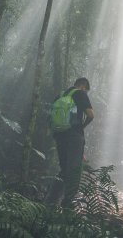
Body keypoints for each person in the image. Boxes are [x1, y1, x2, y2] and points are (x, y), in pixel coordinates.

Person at [53, 77, 94, 206]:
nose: (85, 92)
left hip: (60, 136)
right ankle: (68, 203)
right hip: (74, 135)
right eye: (86, 90)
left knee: (64, 169)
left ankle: (50, 201)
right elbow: (91, 115)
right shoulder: (80, 94)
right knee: (74, 169)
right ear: (83, 87)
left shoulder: (60, 96)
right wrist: (82, 126)